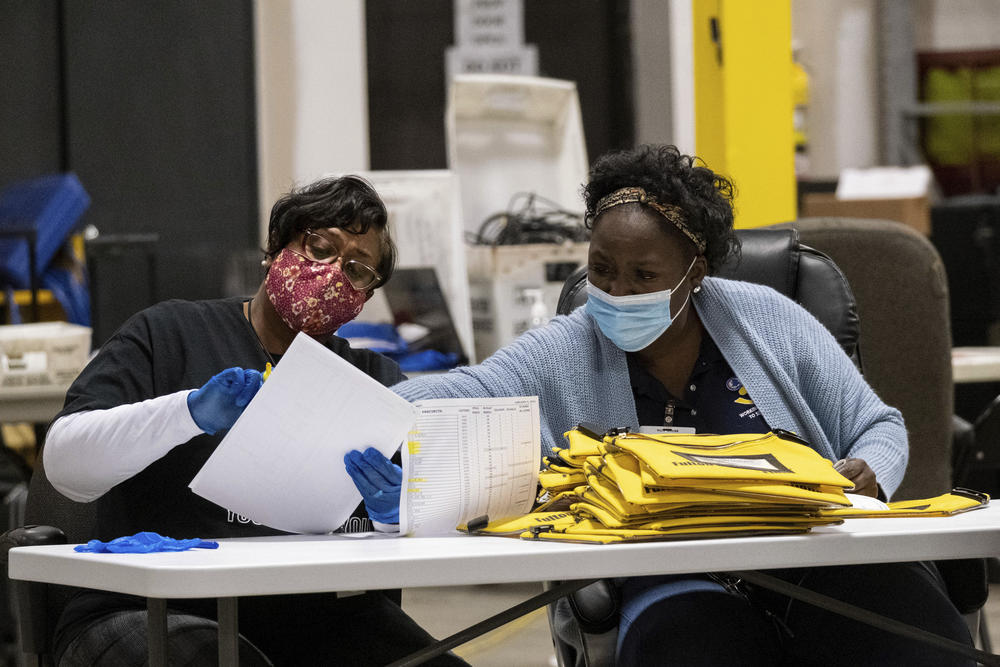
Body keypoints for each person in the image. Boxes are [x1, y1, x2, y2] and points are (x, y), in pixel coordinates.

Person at [346, 145, 974, 666]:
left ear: (695, 270)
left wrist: (869, 469)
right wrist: (344, 408)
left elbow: (877, 425)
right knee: (697, 648)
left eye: (644, 276)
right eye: (601, 270)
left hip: (807, 560)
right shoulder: (568, 346)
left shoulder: (771, 322)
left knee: (920, 637)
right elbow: (462, 390)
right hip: (666, 579)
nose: (617, 292)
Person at [43, 176, 466, 666]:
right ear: (275, 248)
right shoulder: (169, 333)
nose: (332, 273)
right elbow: (65, 466)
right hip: (152, 608)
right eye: (320, 246)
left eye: (356, 270)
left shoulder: (375, 383)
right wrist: (187, 413)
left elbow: (440, 522)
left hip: (319, 616)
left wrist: (404, 513)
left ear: (365, 299)